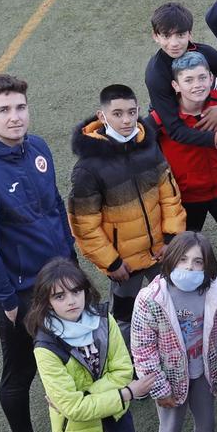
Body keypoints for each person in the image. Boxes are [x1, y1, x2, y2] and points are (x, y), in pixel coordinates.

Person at [0, 74, 76, 432]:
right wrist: (10, 302)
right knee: (21, 370)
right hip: (22, 294)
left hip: (61, 278)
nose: (15, 117)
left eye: (20, 108)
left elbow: (54, 207)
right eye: (5, 110)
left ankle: (76, 410)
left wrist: (71, 260)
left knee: (69, 351)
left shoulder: (39, 148)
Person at [68, 84, 186, 339]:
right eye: (118, 114)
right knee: (124, 320)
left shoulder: (149, 147)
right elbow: (83, 225)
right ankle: (128, 368)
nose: (126, 120)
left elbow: (169, 193)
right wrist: (111, 261)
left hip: (160, 253)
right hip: (125, 264)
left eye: (131, 113)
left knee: (175, 306)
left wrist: (171, 239)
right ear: (102, 116)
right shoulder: (88, 169)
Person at [29, 258, 152, 432]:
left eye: (76, 291)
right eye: (60, 296)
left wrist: (85, 397)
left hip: (117, 420)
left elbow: (123, 372)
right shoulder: (45, 347)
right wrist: (125, 393)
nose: (71, 301)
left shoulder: (104, 319)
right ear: (47, 301)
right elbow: (74, 409)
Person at [130, 231, 217, 432]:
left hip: (203, 374)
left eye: (198, 262)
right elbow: (143, 350)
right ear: (171, 258)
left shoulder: (216, 291)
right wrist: (160, 389)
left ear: (207, 266)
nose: (189, 267)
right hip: (169, 379)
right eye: (183, 259)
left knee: (207, 424)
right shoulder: (150, 298)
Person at [150, 51, 217, 277]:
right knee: (184, 249)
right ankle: (186, 285)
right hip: (187, 197)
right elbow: (143, 144)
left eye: (202, 77)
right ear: (176, 85)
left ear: (210, 77)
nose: (197, 85)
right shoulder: (162, 118)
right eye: (189, 80)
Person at [144, 2, 217, 156]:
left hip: (208, 111)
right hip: (174, 120)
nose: (174, 43)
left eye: (180, 35)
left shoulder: (207, 53)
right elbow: (174, 129)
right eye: (166, 35)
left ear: (190, 34)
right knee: (146, 131)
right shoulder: (155, 74)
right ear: (156, 36)